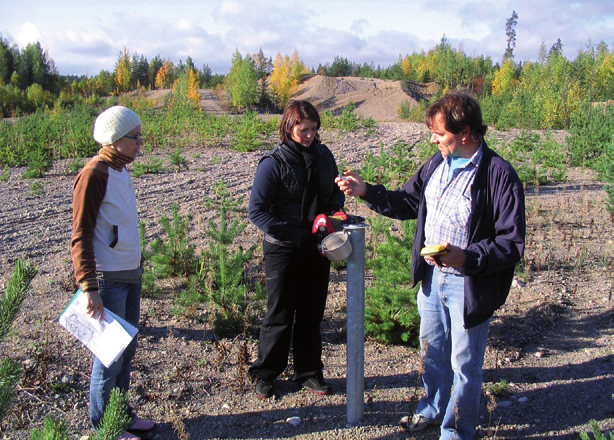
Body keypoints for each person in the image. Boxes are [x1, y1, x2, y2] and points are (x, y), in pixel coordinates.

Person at [336, 91, 525, 440]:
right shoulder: (436, 163)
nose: (433, 138)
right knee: (433, 354)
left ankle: (455, 431)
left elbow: (511, 243)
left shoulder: (498, 175)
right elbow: (408, 201)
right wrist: (366, 191)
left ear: (464, 132)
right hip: (431, 279)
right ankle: (432, 409)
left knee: (464, 366)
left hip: (468, 285)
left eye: (439, 132)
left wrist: (466, 257)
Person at [248, 100, 345, 398]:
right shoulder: (273, 163)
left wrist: (332, 216)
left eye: (314, 130)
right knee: (279, 314)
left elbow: (334, 196)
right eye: (304, 130)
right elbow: (258, 212)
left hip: (319, 246)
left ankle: (309, 373)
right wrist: (296, 235)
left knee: (311, 314)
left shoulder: (324, 156)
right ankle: (265, 373)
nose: (309, 135)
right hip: (284, 249)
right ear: (289, 127)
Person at [71, 106, 155, 440]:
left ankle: (121, 415)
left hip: (130, 275)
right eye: (135, 137)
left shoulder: (121, 171)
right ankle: (104, 428)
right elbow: (81, 234)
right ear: (115, 139)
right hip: (107, 280)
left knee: (127, 350)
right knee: (109, 356)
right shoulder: (94, 173)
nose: (140, 143)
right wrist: (88, 286)